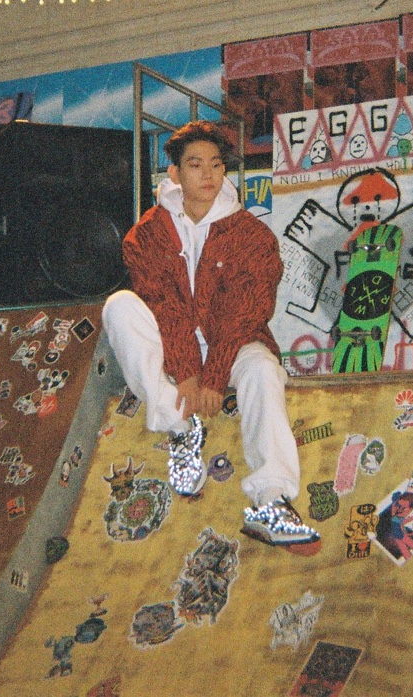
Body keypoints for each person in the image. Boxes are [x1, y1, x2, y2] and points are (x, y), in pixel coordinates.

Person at [102, 121, 319, 551]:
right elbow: (163, 304)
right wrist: (186, 374)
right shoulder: (147, 234)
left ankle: (272, 499)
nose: (208, 175)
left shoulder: (251, 235)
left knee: (262, 368)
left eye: (217, 165)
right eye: (195, 165)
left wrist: (215, 376)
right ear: (175, 173)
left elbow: (247, 312)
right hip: (173, 346)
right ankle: (179, 427)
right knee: (119, 306)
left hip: (233, 344)